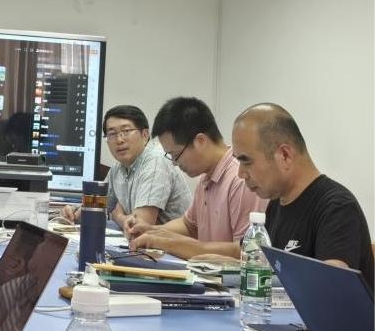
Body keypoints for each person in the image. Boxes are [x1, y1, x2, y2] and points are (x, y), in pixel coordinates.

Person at [231, 103, 374, 288]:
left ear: (285, 155)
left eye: (246, 161)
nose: (240, 173)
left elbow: (332, 287)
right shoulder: (276, 204)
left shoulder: (337, 207)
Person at [128, 97, 267, 259]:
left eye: (175, 154)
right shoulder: (207, 177)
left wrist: (167, 243)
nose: (174, 163)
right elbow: (189, 225)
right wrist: (151, 231)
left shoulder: (240, 178)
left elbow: (246, 250)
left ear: (200, 141)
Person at [62, 105, 191, 230]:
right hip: (143, 241)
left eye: (126, 131)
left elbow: (139, 227)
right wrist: (73, 212)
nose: (119, 140)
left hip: (171, 243)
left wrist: (118, 216)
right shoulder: (117, 168)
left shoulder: (156, 161)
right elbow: (96, 207)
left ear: (145, 134)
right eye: (112, 134)